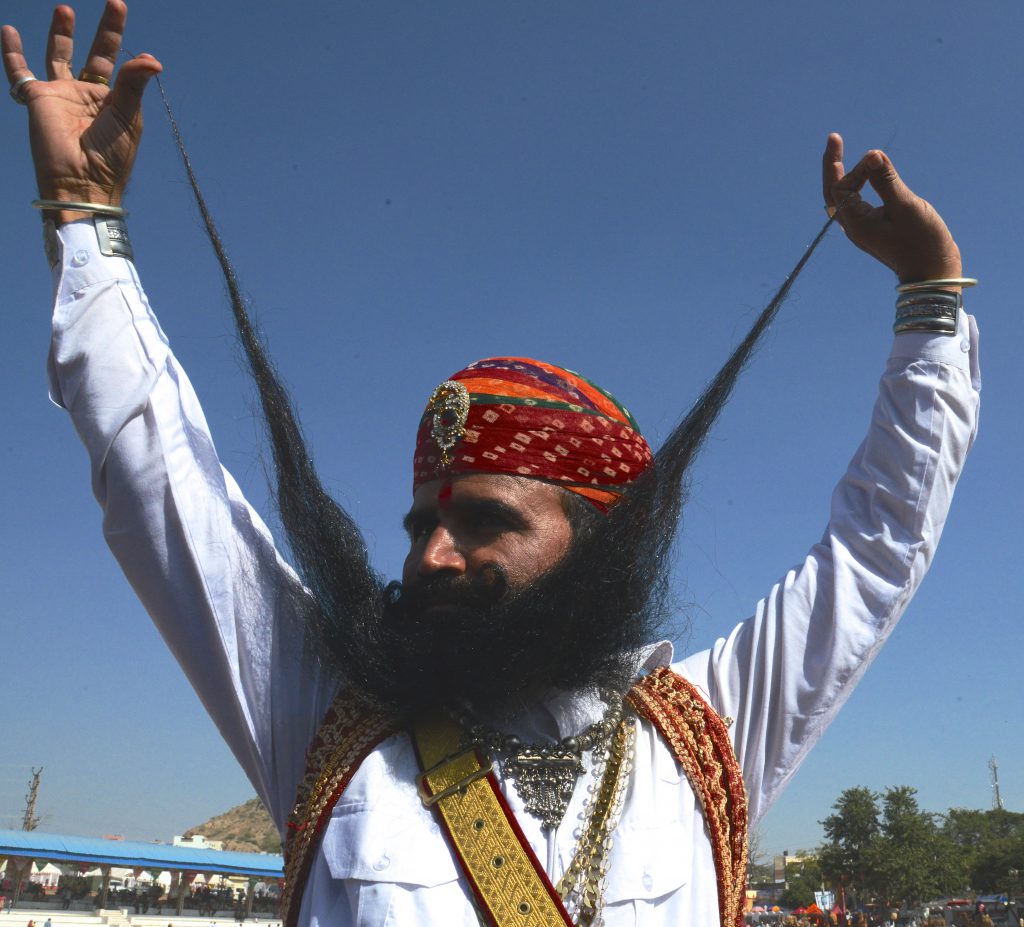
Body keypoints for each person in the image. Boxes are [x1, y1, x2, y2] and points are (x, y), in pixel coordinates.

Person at [3, 3, 980, 926]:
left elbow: (879, 541)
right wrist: (84, 224)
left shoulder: (706, 740)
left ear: (601, 544)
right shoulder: (327, 725)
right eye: (422, 524)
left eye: (485, 522)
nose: (429, 557)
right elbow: (158, 478)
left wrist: (930, 300)